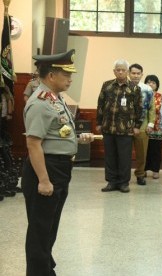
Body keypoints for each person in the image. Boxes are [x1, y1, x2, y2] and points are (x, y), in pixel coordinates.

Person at [21, 49, 94, 275]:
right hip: (46, 169)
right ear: (51, 76)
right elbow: (33, 144)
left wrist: (77, 137)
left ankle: (44, 266)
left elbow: (56, 132)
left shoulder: (55, 98)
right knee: (40, 229)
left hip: (59, 168)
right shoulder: (41, 103)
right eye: (66, 75)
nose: (70, 79)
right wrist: (43, 180)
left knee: (49, 227)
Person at [97, 60, 142, 193]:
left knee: (124, 157)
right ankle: (111, 182)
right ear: (114, 71)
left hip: (126, 129)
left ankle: (123, 183)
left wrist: (137, 125)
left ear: (127, 71)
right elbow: (100, 104)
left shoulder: (134, 87)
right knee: (110, 156)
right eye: (118, 69)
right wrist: (99, 122)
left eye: (123, 70)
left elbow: (139, 108)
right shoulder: (107, 85)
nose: (120, 72)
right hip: (108, 127)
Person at [129, 63, 154, 186]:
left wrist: (150, 124)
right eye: (133, 73)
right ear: (129, 74)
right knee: (124, 154)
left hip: (143, 126)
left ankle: (140, 175)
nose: (135, 76)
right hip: (125, 127)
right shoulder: (124, 87)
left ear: (141, 74)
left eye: (138, 73)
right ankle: (123, 177)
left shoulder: (147, 89)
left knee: (142, 153)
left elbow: (151, 108)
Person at [144, 74, 162, 179]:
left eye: (153, 82)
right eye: (148, 82)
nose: (151, 84)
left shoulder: (160, 96)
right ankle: (144, 170)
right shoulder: (142, 95)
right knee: (144, 150)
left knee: (156, 150)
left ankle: (156, 170)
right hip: (144, 127)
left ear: (157, 85)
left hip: (157, 128)